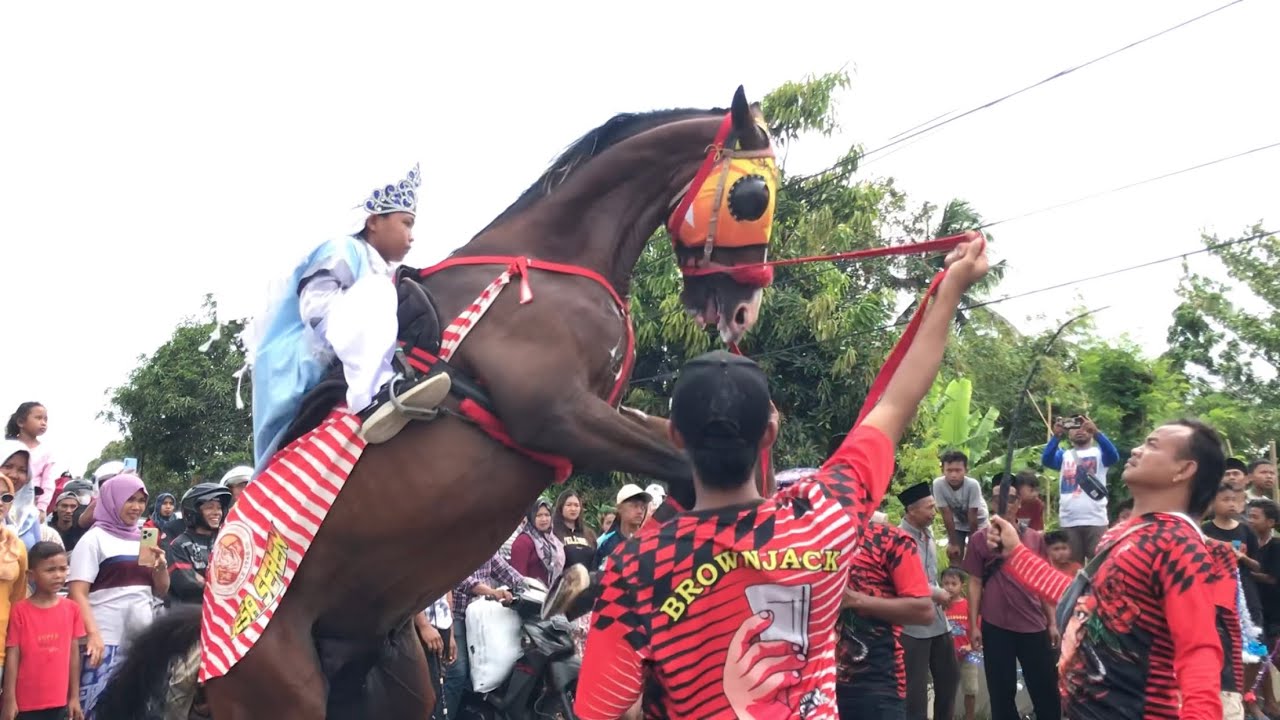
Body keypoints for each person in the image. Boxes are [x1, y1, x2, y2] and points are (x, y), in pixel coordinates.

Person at [574, 234, 990, 720]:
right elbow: (898, 401)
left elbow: (598, 711)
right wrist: (953, 285)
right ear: (770, 431)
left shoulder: (638, 566)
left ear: (678, 439)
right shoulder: (826, 514)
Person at [985, 419, 1228, 718]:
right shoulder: (1123, 533)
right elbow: (1088, 604)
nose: (1137, 450)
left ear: (1184, 470)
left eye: (1151, 444)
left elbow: (1199, 652)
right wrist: (1015, 551)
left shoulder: (1179, 544)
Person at [249, 164, 452, 473]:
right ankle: (373, 397)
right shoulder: (345, 249)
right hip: (298, 363)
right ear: (374, 221)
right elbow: (316, 303)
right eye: (406, 223)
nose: (412, 236)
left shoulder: (376, 267)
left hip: (332, 358)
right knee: (381, 292)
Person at [68, 473, 168, 713]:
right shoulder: (93, 539)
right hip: (105, 640)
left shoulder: (143, 538)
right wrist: (93, 634)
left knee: (136, 710)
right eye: (129, 499)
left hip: (141, 640)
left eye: (141, 500)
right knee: (97, 708)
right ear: (112, 500)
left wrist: (161, 567)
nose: (136, 507)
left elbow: (160, 591)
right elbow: (77, 593)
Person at [961, 482, 1059, 720]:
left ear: (1018, 504)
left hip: (1033, 623)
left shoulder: (1035, 538)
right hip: (996, 625)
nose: (1004, 504)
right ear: (992, 503)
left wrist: (1052, 621)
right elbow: (974, 582)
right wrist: (974, 624)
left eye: (1010, 498)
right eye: (998, 499)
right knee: (1001, 693)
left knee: (1045, 689)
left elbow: (1043, 581)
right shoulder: (978, 540)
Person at [835, 517, 934, 719]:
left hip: (875, 683)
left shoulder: (890, 540)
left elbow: (924, 611)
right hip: (812, 684)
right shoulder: (805, 539)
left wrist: (855, 600)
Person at [898, 482, 960, 720]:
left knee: (949, 677)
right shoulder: (899, 538)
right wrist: (936, 593)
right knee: (915, 689)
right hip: (912, 625)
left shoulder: (929, 533)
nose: (934, 512)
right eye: (929, 508)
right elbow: (902, 582)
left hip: (937, 621)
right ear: (911, 511)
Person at [2, 542, 85, 720]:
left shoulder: (72, 609)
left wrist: (74, 697)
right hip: (25, 703)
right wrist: (9, 699)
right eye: (50, 570)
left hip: (59, 701)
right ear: (31, 575)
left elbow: (73, 655)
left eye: (63, 569)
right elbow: (13, 654)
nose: (58, 575)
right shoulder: (19, 610)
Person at [1042, 414, 1120, 562]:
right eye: (1074, 427)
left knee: (1098, 566)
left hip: (1096, 520)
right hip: (1069, 521)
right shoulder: (1064, 456)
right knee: (1071, 568)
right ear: (1068, 432)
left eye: (1084, 426)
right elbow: (1047, 460)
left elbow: (1113, 456)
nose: (1079, 430)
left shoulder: (1099, 453)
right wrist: (1056, 436)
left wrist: (1097, 433)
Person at [166, 483, 232, 606]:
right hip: (192, 617)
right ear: (193, 511)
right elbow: (187, 586)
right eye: (209, 507)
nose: (216, 512)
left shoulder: (225, 542)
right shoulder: (180, 545)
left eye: (218, 507)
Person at [1246, 498, 1280, 716]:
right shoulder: (1246, 541)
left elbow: (1273, 578)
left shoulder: (1276, 546)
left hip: (1274, 610)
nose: (1249, 520)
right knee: (1259, 656)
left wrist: (1246, 572)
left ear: (1270, 522)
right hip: (1254, 610)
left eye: (1255, 517)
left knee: (1273, 655)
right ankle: (1267, 701)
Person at [931, 451, 988, 564]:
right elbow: (946, 514)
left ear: (965, 471)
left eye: (958, 470)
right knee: (954, 554)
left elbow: (973, 516)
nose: (953, 475)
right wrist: (952, 543)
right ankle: (955, 579)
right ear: (943, 471)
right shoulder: (938, 484)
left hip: (978, 520)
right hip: (958, 522)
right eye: (949, 470)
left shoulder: (972, 485)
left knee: (980, 555)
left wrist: (973, 543)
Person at [5, 403, 57, 515]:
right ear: (21, 422)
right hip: (4, 499)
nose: (43, 423)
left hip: (31, 505)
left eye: (45, 419)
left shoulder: (46, 452)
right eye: (38, 418)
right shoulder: (6, 447)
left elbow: (48, 483)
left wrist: (42, 508)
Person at [940, 568, 978, 720]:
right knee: (947, 691)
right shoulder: (939, 606)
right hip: (946, 656)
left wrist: (970, 647)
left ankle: (970, 717)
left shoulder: (968, 606)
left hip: (969, 656)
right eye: (946, 583)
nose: (949, 587)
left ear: (962, 585)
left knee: (971, 689)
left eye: (953, 583)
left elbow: (977, 628)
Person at [593, 484, 651, 570]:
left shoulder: (650, 542)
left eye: (642, 507)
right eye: (634, 506)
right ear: (619, 508)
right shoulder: (607, 544)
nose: (640, 511)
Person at [509, 498, 564, 585]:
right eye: (539, 515)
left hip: (550, 592)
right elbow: (517, 576)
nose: (544, 519)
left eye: (547, 515)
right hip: (531, 594)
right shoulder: (523, 541)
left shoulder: (552, 540)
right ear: (531, 516)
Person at [552, 490, 597, 571]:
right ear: (561, 507)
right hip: (563, 581)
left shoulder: (589, 534)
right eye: (568, 505)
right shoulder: (553, 533)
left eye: (576, 505)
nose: (573, 509)